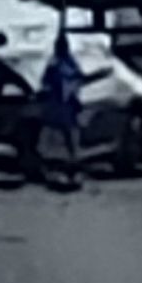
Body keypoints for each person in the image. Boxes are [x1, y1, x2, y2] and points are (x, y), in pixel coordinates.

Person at [39, 34, 84, 190]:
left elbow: (78, 79)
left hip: (67, 106)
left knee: (70, 137)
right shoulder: (54, 64)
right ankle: (55, 168)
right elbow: (46, 82)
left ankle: (72, 168)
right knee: (54, 137)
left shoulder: (70, 63)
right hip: (57, 106)